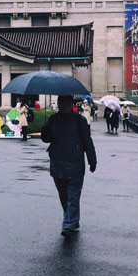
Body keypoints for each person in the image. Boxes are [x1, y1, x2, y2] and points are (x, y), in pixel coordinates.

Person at [41, 94, 97, 238]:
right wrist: (45, 128)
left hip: (75, 164)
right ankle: (72, 220)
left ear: (71, 104)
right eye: (60, 102)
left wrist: (92, 160)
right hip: (58, 164)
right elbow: (46, 139)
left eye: (65, 103)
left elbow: (87, 140)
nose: (62, 105)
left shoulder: (80, 121)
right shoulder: (53, 120)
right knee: (64, 196)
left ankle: (68, 224)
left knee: (73, 196)